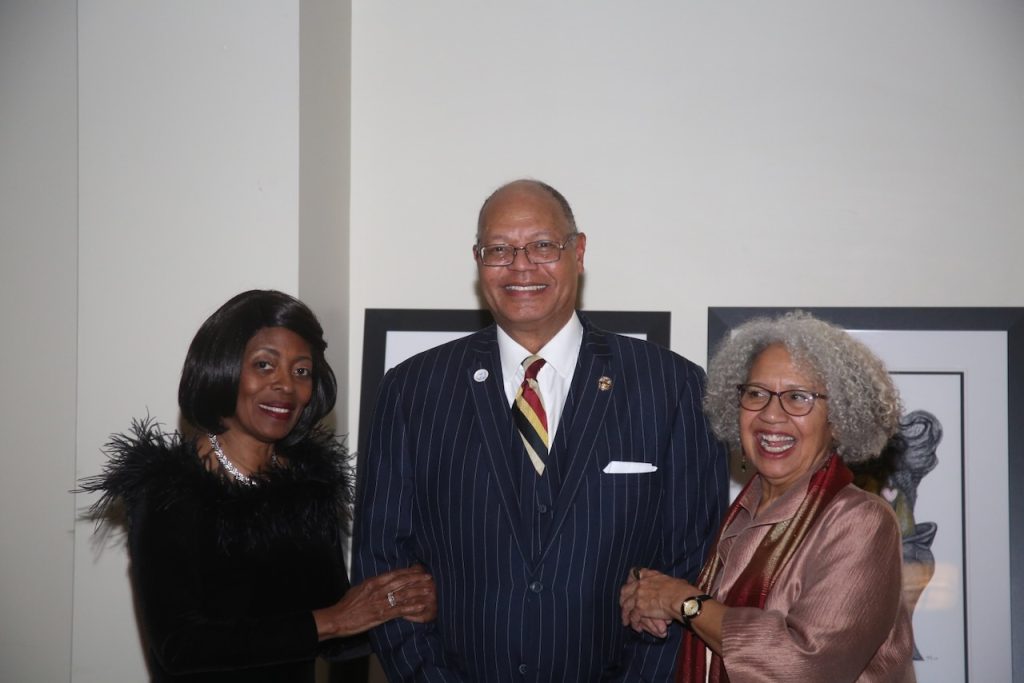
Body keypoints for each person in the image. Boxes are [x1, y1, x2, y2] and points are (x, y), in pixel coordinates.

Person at [353, 179, 728, 681]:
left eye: (543, 245)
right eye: (499, 249)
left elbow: (693, 560)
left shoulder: (671, 386)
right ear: (477, 260)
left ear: (579, 252)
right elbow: (383, 566)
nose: (521, 265)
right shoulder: (413, 390)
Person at [79, 290, 436, 682]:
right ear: (223, 369)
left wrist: (398, 606)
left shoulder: (308, 488)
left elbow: (335, 638)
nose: (286, 385)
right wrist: (332, 620)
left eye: (302, 371)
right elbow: (181, 647)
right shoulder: (169, 491)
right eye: (264, 365)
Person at [620, 311, 916, 682]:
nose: (771, 415)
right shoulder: (741, 515)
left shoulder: (860, 521)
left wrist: (684, 602)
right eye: (756, 394)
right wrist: (648, 593)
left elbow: (805, 664)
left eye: (798, 397)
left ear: (839, 420)